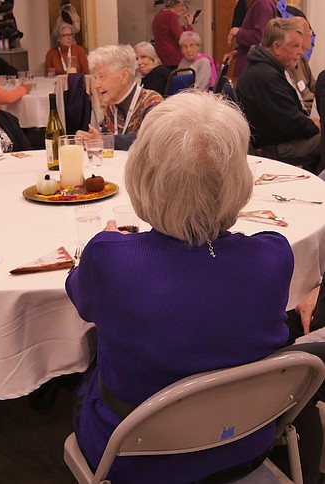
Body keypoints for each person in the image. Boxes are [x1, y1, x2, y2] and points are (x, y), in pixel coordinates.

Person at [67, 90, 296, 483]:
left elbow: (81, 299)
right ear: (241, 179)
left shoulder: (108, 258)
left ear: (140, 176)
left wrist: (109, 244)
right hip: (246, 442)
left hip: (134, 458)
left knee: (84, 364)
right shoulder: (275, 254)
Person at [237, 18, 320, 168]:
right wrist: (315, 125)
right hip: (273, 149)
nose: (300, 52)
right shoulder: (266, 77)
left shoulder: (264, 69)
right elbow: (293, 125)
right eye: (295, 46)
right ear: (276, 47)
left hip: (275, 140)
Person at [77, 45, 163, 150]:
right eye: (95, 78)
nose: (96, 85)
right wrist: (91, 140)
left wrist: (103, 140)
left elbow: (147, 140)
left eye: (102, 77)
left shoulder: (152, 101)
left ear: (124, 76)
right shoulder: (111, 107)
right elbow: (106, 142)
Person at [224, 0, 277, 77]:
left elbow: (260, 38)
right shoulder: (259, 3)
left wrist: (237, 32)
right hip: (251, 68)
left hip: (254, 70)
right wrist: (238, 52)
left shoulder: (263, 3)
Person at [152, 0, 195, 70]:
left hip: (163, 57)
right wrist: (189, 25)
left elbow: (168, 33)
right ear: (179, 5)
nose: (184, 10)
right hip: (174, 59)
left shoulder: (159, 16)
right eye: (185, 6)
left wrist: (185, 27)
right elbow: (183, 40)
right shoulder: (171, 16)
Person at [286, 16, 316, 113]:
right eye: (309, 31)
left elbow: (314, 86)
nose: (311, 35)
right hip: (302, 112)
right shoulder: (285, 61)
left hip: (313, 108)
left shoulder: (301, 58)